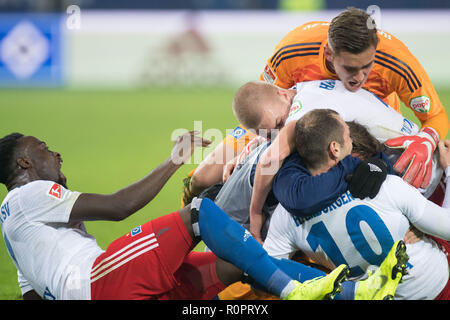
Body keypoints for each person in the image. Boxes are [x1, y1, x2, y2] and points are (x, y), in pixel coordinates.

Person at [0, 131, 372, 300]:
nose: (57, 155)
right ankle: (303, 289)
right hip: (102, 283)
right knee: (198, 213)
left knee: (237, 266)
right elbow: (117, 207)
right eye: (46, 149)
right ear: (24, 163)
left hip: (111, 290)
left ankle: (353, 294)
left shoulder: (16, 231)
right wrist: (176, 160)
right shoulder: (29, 195)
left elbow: (32, 296)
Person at [263, 109, 450, 299]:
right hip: (437, 284)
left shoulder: (285, 214)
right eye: (347, 135)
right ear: (335, 149)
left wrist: (322, 280)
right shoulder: (384, 186)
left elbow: (264, 274)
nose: (351, 140)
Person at [259, 7, 448, 188]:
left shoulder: (397, 62)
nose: (359, 77)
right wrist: (239, 148)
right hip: (314, 139)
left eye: (367, 66)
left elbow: (435, 115)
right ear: (329, 54)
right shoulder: (292, 52)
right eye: (349, 68)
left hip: (375, 142)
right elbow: (258, 105)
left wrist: (427, 139)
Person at [246, 79, 445, 242]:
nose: (282, 132)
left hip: (421, 179)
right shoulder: (307, 89)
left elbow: (269, 160)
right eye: (272, 134)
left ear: (282, 94)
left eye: (280, 123)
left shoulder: (302, 108)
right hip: (414, 166)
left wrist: (255, 214)